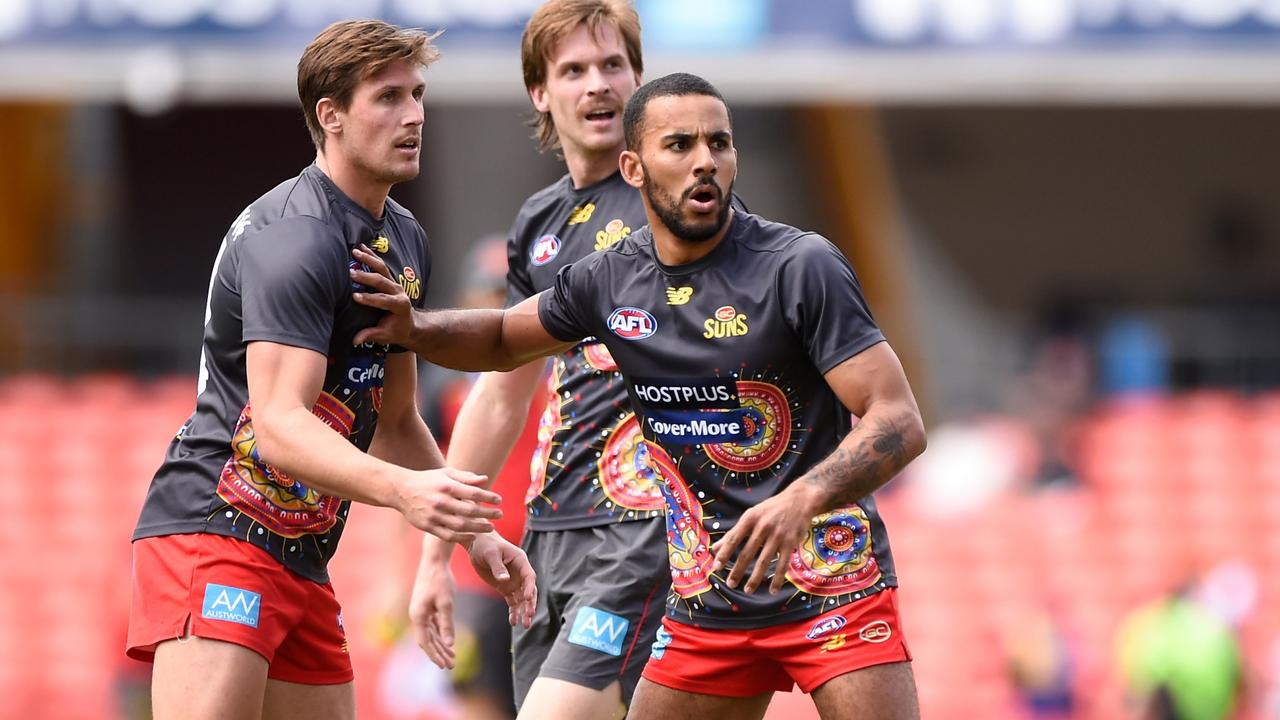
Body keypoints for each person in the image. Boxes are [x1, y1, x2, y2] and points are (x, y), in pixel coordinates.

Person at [351, 72, 927, 720]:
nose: (704, 159)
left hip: (831, 587)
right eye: (679, 144)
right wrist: (413, 325)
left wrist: (803, 499)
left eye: (719, 142)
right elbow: (500, 338)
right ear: (632, 166)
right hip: (710, 602)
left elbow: (900, 420)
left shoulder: (800, 266)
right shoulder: (610, 278)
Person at [125, 20, 535, 720]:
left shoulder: (403, 239)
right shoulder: (295, 237)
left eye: (417, 94)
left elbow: (397, 423)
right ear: (331, 115)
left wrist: (473, 532)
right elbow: (279, 428)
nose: (413, 115)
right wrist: (407, 495)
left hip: (303, 555)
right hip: (220, 532)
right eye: (387, 98)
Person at [407, 3, 670, 719]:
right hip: (550, 537)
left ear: (639, 79)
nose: (597, 86)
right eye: (574, 70)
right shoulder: (539, 224)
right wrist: (437, 557)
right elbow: (499, 396)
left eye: (613, 65)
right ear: (540, 93)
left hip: (647, 528)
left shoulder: (677, 199)